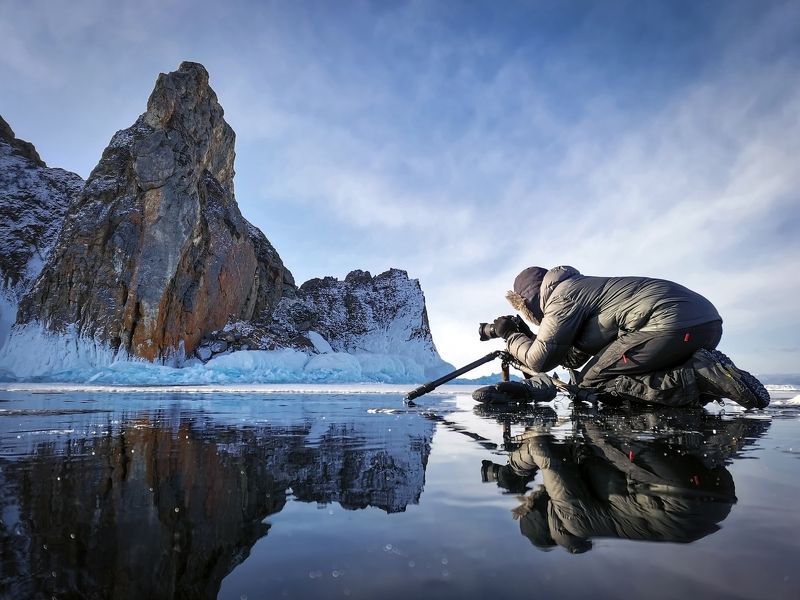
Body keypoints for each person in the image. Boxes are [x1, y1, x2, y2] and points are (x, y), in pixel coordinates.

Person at [492, 266, 769, 408]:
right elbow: (570, 355)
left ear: (528, 302)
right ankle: (706, 385)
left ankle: (697, 375)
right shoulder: (579, 288)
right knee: (618, 372)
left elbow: (540, 361)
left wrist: (511, 335)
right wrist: (528, 337)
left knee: (593, 385)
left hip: (668, 324)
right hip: (704, 324)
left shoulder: (562, 296)